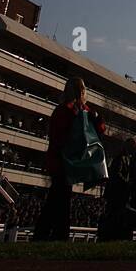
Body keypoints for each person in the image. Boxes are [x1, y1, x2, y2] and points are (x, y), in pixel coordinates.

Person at [36, 76, 103, 242]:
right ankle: (55, 234)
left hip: (61, 161)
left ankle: (51, 234)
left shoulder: (65, 110)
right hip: (66, 161)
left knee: (59, 198)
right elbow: (98, 130)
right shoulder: (74, 110)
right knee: (60, 199)